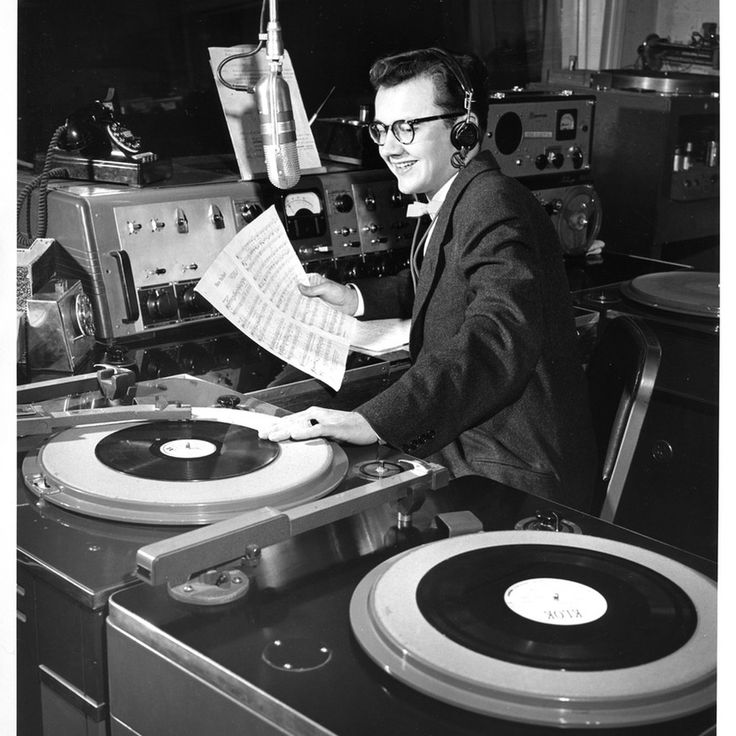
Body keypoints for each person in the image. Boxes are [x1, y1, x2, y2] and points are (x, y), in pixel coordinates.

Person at [260, 47, 598, 512]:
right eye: (381, 130)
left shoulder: (493, 202)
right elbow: (439, 278)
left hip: (508, 471)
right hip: (474, 442)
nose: (389, 148)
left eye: (407, 128)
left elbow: (495, 340)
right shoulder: (455, 192)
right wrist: (356, 298)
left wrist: (372, 422)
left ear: (464, 129)